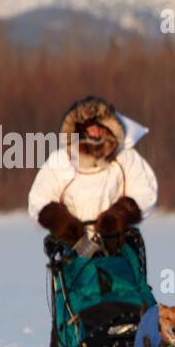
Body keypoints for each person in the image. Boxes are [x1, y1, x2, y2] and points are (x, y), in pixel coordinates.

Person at [27, 95, 158, 252]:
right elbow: (39, 199)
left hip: (117, 246)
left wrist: (116, 219)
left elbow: (145, 192)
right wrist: (65, 226)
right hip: (75, 248)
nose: (95, 131)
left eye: (99, 125)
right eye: (89, 126)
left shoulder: (125, 158)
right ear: (79, 129)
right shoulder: (61, 161)